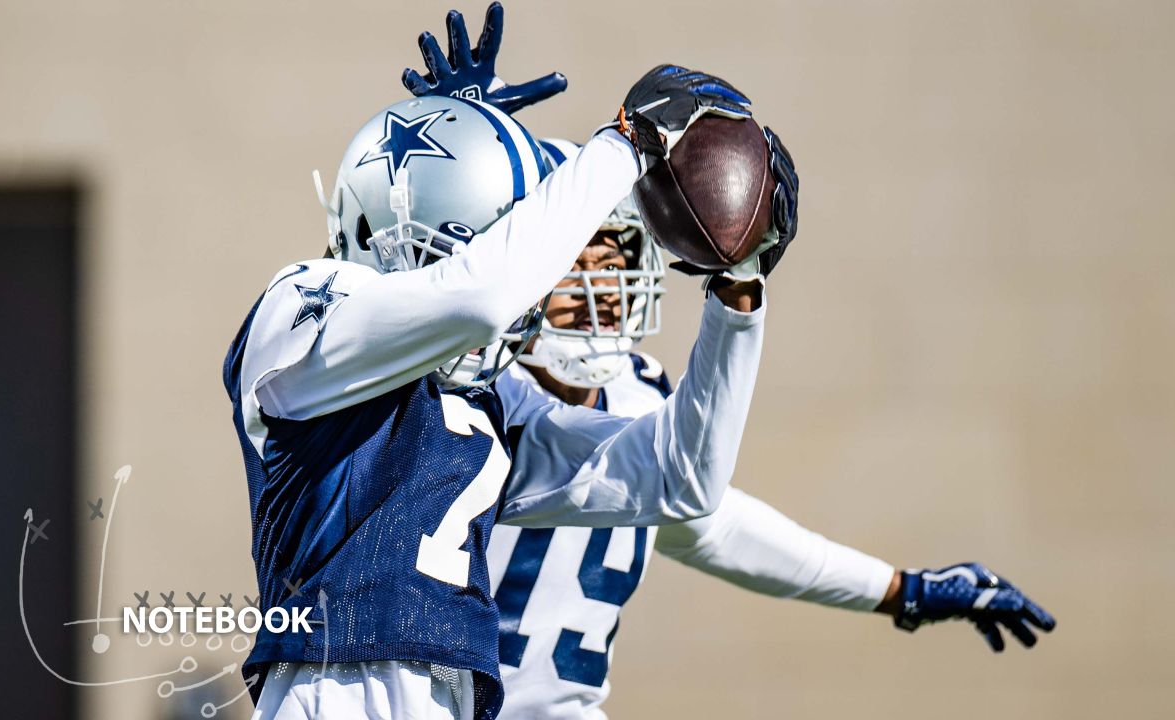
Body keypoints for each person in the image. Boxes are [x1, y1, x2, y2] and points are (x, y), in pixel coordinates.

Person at [401, 7, 1056, 719]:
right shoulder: (454, 392)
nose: (602, 282)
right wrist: (450, 162)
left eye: (619, 254)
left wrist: (905, 589)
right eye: (573, 257)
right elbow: (382, 323)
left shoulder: (641, 399)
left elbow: (717, 524)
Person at [224, 24, 777, 720]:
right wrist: (627, 143)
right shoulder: (299, 305)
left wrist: (739, 292)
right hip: (331, 693)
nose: (539, 292)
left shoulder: (485, 402)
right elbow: (477, 300)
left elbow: (684, 478)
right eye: (482, 238)